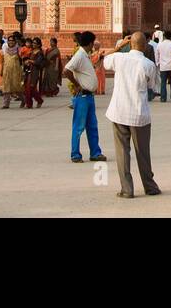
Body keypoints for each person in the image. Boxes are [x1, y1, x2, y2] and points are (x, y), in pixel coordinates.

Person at [103, 32, 162, 198]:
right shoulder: (148, 64)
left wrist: (119, 46)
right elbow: (152, 85)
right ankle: (150, 187)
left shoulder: (119, 58)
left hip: (119, 111)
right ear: (144, 46)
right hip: (138, 113)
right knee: (143, 152)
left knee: (122, 152)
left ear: (130, 44)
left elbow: (104, 60)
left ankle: (127, 189)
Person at [63, 31, 107, 163]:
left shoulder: (85, 55)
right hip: (82, 96)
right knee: (79, 127)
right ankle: (75, 154)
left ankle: (95, 152)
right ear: (90, 43)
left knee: (92, 126)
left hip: (88, 96)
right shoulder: (80, 55)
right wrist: (77, 85)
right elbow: (66, 70)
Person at [0, 33, 24, 108]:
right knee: (6, 87)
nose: (11, 42)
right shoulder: (5, 49)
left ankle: (24, 100)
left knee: (17, 87)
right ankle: (6, 104)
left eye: (12, 41)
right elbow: (3, 61)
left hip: (16, 71)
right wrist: (1, 70)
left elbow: (22, 60)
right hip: (6, 71)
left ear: (15, 41)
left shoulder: (18, 49)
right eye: (9, 41)